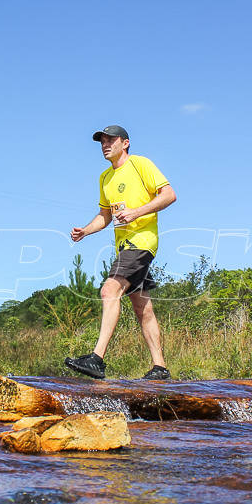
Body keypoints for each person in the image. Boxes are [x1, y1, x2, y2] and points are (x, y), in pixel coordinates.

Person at [65, 125, 177, 380]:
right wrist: (85, 230)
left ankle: (97, 359)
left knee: (109, 290)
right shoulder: (105, 177)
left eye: (110, 140)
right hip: (124, 247)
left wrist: (137, 212)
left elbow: (169, 195)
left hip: (142, 242)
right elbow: (104, 216)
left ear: (125, 143)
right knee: (142, 307)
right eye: (102, 141)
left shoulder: (140, 164)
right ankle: (160, 367)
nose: (105, 144)